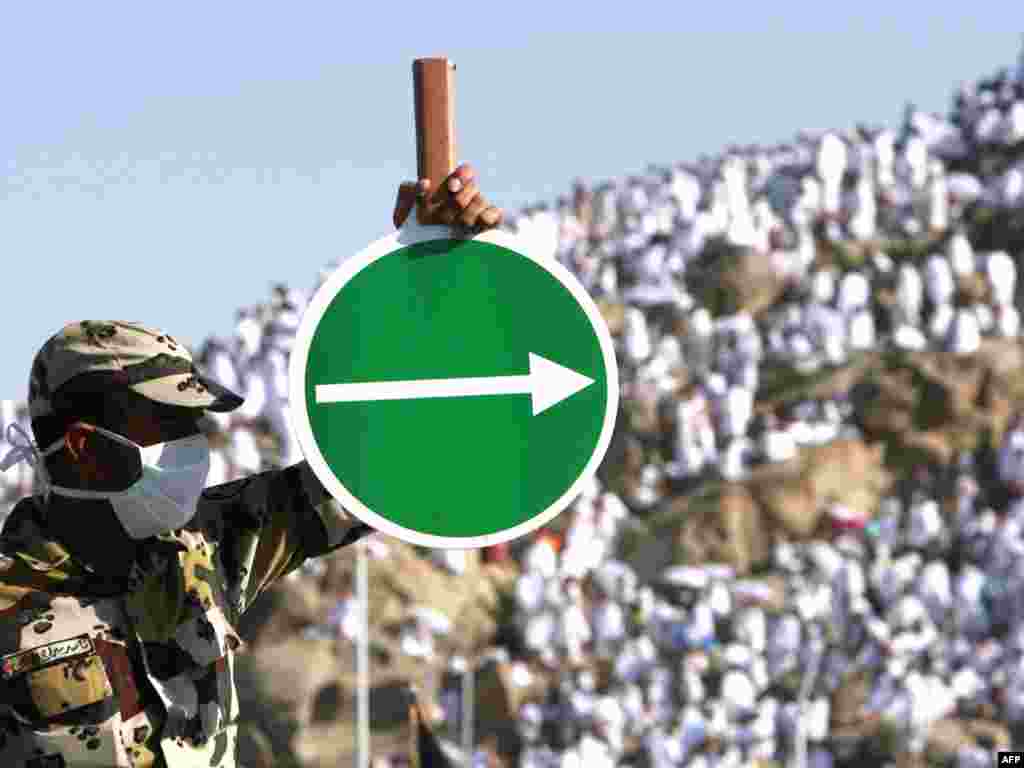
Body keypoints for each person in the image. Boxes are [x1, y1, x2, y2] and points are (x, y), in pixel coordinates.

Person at [0, 165, 503, 767]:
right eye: (165, 425)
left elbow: (387, 463)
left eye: (193, 424)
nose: (192, 445)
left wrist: (425, 276)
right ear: (83, 447)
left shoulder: (203, 548)